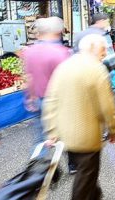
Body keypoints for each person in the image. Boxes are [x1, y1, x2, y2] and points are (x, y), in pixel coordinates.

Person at [42, 34, 115, 200]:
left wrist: (51, 130)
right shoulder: (96, 69)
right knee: (86, 174)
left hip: (64, 133)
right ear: (93, 48)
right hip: (86, 133)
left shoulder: (64, 66)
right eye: (103, 50)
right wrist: (113, 129)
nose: (104, 54)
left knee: (86, 168)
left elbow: (50, 100)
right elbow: (107, 107)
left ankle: (96, 195)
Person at [22, 17, 74, 174]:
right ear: (58, 31)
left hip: (37, 98)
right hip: (57, 102)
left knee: (40, 137)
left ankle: (38, 170)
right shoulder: (61, 52)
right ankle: (72, 165)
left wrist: (30, 96)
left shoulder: (29, 51)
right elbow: (67, 81)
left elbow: (28, 77)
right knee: (66, 133)